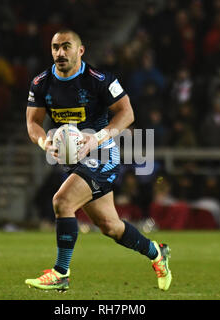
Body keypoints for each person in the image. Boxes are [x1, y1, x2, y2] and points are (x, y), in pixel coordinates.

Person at [25, 29, 172, 291]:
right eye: (55, 47)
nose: (60, 52)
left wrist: (97, 138)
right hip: (74, 158)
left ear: (80, 51)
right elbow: (33, 122)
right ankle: (157, 253)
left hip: (102, 153)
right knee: (110, 226)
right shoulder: (41, 82)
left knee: (62, 201)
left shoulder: (100, 80)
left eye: (66, 47)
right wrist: (44, 141)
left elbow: (127, 114)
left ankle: (61, 273)